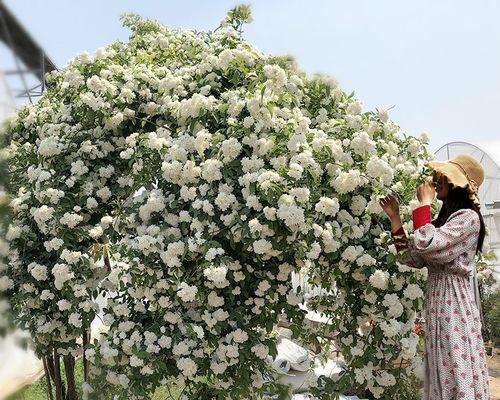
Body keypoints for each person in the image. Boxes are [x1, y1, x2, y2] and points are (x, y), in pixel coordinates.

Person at [379, 154, 491, 400]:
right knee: (441, 371)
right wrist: (396, 219)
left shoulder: (468, 219)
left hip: (454, 306)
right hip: (439, 305)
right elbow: (412, 258)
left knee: (454, 367)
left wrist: (423, 206)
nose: (436, 179)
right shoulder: (445, 222)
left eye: (444, 176)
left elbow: (427, 242)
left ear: (458, 184)